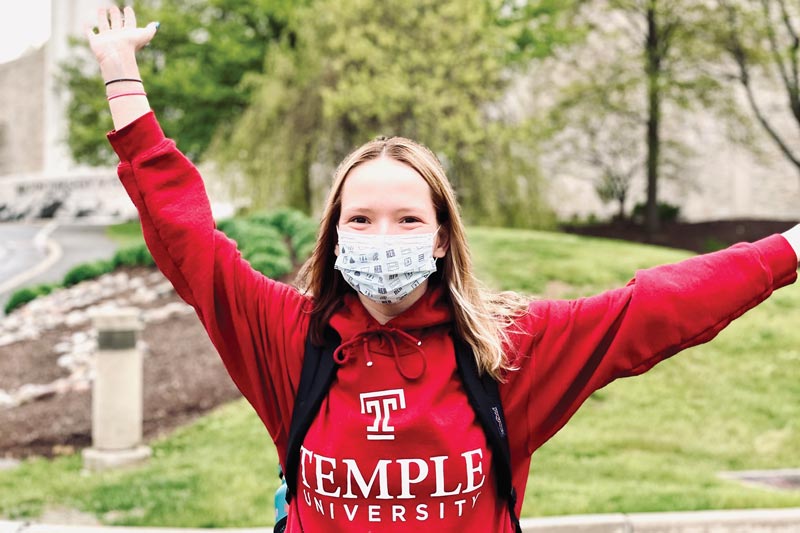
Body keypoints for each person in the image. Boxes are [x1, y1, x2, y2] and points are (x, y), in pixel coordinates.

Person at [87, 6, 800, 533]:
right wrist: (123, 81)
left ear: (439, 239)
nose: (381, 234)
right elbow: (189, 241)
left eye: (406, 219)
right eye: (360, 219)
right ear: (334, 234)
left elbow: (656, 306)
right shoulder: (288, 335)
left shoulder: (506, 347)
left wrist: (789, 250)